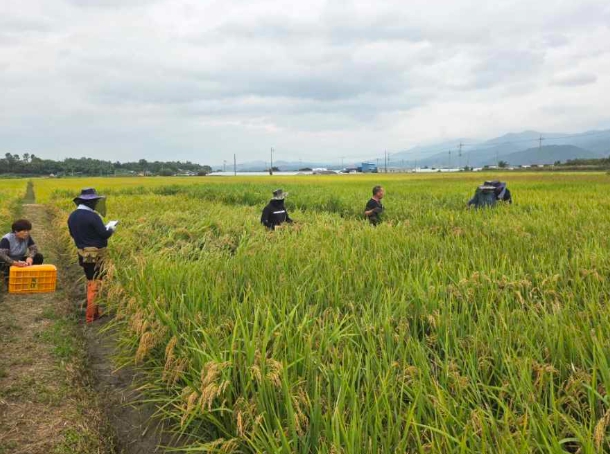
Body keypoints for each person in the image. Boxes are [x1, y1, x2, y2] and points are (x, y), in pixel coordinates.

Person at [67, 188, 117, 323]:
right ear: (89, 202)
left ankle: (95, 311)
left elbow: (73, 234)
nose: (95, 204)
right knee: (95, 283)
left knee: (91, 280)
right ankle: (91, 316)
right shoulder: (93, 216)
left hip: (83, 253)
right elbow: (104, 234)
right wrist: (111, 229)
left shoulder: (72, 216)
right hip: (95, 255)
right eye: (94, 201)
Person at [0, 219, 44, 284]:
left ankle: (31, 275)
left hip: (19, 260)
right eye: (24, 231)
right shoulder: (7, 239)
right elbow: (2, 255)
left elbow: (33, 248)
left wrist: (30, 257)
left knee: (38, 257)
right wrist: (14, 263)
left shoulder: (27, 237)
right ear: (16, 231)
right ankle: (7, 277)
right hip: (7, 263)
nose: (26, 233)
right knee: (11, 279)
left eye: (28, 230)